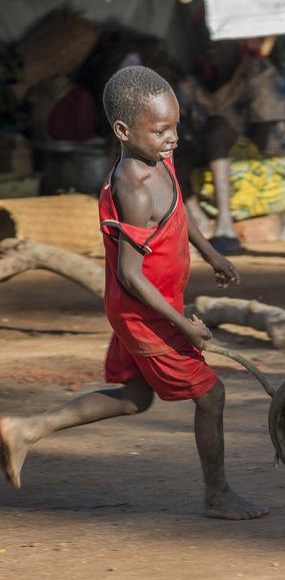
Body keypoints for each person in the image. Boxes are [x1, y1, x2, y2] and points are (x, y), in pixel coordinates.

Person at [0, 65, 268, 520]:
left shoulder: (159, 161)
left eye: (175, 126)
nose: (173, 138)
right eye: (161, 129)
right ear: (124, 130)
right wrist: (184, 323)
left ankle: (25, 429)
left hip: (150, 309)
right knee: (212, 394)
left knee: (134, 397)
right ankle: (218, 494)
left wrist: (210, 253)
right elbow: (130, 275)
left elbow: (181, 211)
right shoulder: (135, 188)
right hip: (146, 313)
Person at [174, 23, 285, 255]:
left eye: (217, 38)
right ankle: (198, 219)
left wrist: (221, 145)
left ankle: (225, 225)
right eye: (205, 38)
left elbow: (265, 136)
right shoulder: (193, 81)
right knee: (168, 156)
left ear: (234, 40)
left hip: (263, 163)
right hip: (216, 160)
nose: (210, 46)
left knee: (217, 128)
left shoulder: (258, 72)